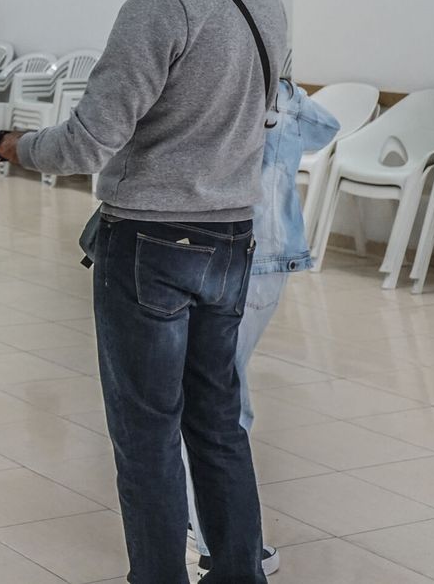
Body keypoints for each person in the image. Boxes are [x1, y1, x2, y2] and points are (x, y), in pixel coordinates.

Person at [0, 0, 289, 584]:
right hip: (232, 237)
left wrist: (3, 142)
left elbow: (84, 144)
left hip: (150, 244)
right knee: (216, 423)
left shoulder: (161, 6)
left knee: (146, 433)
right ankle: (240, 571)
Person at [185, 75, 338, 577]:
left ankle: (216, 535)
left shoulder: (207, 86)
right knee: (219, 398)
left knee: (210, 395)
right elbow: (324, 127)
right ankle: (222, 542)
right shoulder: (277, 96)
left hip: (198, 250)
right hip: (255, 257)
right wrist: (285, 91)